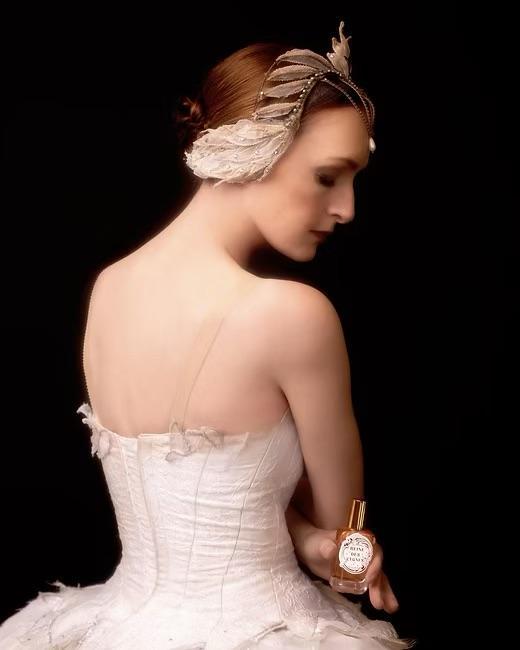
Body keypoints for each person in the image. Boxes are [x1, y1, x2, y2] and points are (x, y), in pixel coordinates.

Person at [0, 21, 413, 649]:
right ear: (255, 148)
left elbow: (220, 503)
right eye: (329, 176)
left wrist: (305, 536)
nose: (347, 208)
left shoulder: (109, 289)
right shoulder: (293, 316)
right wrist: (346, 549)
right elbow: (346, 547)